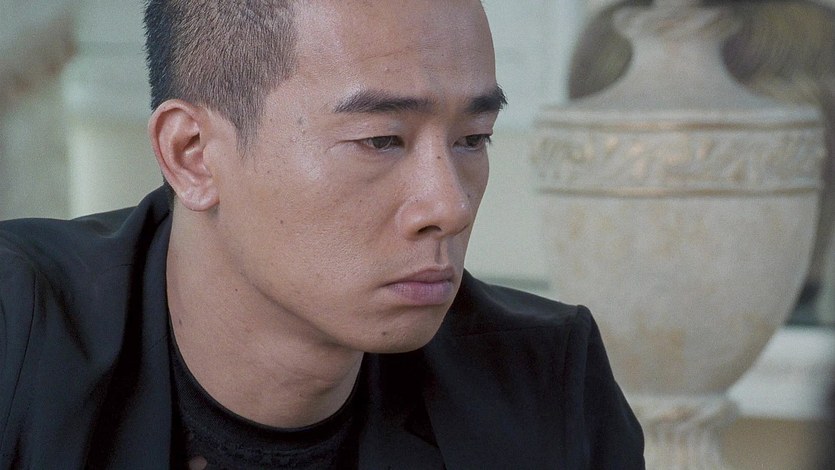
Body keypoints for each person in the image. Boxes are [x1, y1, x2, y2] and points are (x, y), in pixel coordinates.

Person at [0, 0, 644, 468]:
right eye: (381, 140)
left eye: (473, 139)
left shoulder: (543, 387)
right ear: (193, 154)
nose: (450, 206)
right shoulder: (17, 331)